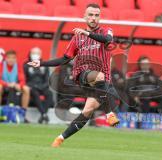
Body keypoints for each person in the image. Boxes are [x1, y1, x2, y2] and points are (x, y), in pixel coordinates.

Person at [28, 3, 119, 147]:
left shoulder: (107, 31)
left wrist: (87, 33)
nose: (93, 18)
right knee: (100, 77)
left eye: (96, 15)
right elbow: (65, 59)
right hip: (82, 75)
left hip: (101, 83)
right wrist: (41, 63)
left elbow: (108, 40)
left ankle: (60, 138)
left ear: (100, 17)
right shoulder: (77, 38)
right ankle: (109, 114)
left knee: (87, 111)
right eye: (90, 15)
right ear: (84, 16)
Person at [24, 47, 53, 124]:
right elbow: (24, 79)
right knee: (35, 93)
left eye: (37, 53)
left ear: (40, 55)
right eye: (33, 53)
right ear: (30, 54)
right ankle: (44, 114)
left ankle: (43, 114)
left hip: (42, 86)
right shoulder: (26, 65)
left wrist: (42, 87)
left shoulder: (44, 65)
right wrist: (32, 86)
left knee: (49, 93)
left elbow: (47, 80)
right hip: (32, 87)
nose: (35, 55)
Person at [0, 50, 30, 122]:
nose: (11, 60)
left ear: (15, 59)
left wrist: (19, 85)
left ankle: (23, 113)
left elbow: (22, 79)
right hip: (4, 85)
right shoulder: (1, 65)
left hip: (15, 85)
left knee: (26, 89)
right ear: (6, 59)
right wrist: (7, 84)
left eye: (13, 58)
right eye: (9, 58)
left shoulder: (18, 66)